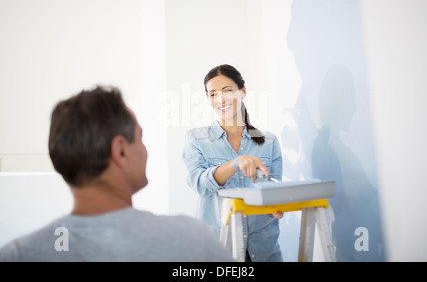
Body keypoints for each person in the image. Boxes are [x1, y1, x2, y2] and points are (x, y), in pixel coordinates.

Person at [0, 85, 234, 262]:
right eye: (140, 137)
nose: (145, 149)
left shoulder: (18, 254)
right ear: (120, 150)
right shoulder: (190, 242)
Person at [182, 64, 284, 262]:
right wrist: (235, 163)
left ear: (242, 92)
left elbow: (274, 194)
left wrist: (276, 206)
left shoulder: (269, 142)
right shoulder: (197, 139)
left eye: (227, 91)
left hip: (264, 253)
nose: (220, 99)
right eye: (213, 94)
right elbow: (200, 185)